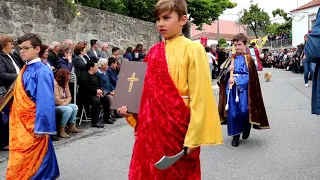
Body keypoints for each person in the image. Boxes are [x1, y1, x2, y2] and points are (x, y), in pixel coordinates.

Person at [117, 0, 223, 179]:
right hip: (150, 129)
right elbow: (143, 92)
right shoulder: (153, 51)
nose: (160, 23)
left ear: (182, 20)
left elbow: (200, 96)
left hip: (179, 127)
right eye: (158, 19)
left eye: (166, 18)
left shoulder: (193, 49)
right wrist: (130, 111)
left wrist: (194, 137)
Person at [6, 33, 59, 179]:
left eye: (25, 48)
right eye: (20, 48)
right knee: (21, 156)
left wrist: (42, 127)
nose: (21, 51)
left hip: (34, 123)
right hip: (20, 123)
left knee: (36, 160)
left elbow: (45, 101)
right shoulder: (25, 68)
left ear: (37, 49)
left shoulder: (42, 70)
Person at [218, 33, 270, 147]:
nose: (237, 47)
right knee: (233, 113)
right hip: (231, 90)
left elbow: (251, 76)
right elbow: (221, 76)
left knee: (244, 110)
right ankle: (235, 136)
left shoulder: (249, 59)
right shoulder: (230, 58)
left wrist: (238, 80)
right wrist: (228, 71)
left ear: (245, 45)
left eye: (239, 44)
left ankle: (247, 127)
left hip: (244, 90)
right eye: (235, 45)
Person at [54, 68, 82, 138]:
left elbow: (69, 96)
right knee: (68, 109)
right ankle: (61, 129)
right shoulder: (55, 84)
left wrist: (65, 102)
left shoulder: (65, 83)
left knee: (74, 106)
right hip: (54, 105)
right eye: (68, 76)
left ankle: (71, 126)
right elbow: (56, 100)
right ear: (63, 76)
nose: (69, 78)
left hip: (63, 103)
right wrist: (65, 101)